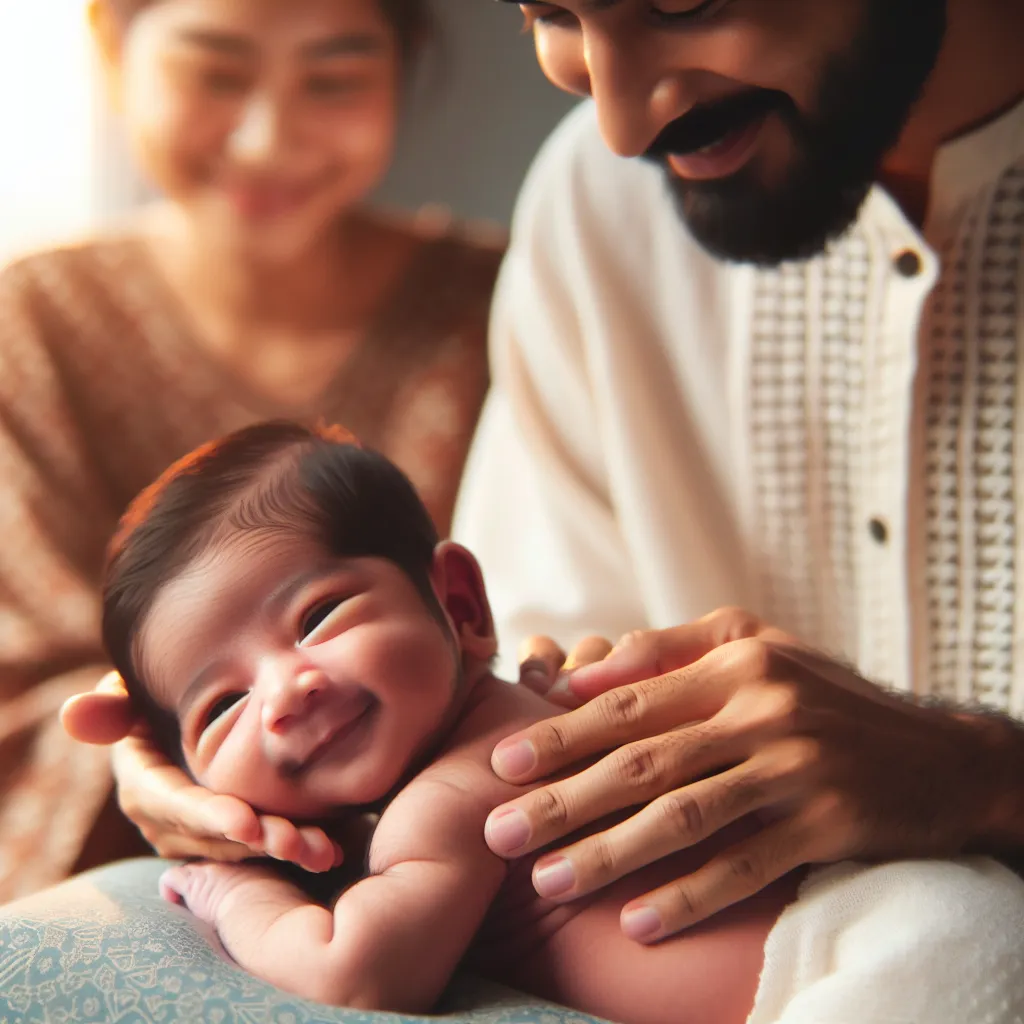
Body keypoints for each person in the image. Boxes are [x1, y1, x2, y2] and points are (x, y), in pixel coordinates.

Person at [63, 0, 1024, 951]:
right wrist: (204, 742)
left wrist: (984, 775)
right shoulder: (598, 201)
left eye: (681, 1)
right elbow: (494, 667)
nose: (620, 123)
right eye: (551, 15)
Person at [97, 420, 1024, 1024]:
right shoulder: (539, 698)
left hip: (880, 954)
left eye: (317, 618)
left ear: (459, 602)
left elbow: (354, 976)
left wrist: (234, 891)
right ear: (184, 769)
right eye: (221, 707)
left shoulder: (456, 797)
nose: (285, 691)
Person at [0, 0, 502, 904]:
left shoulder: (507, 306)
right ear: (114, 60)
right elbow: (22, 688)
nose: (270, 138)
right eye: (216, 73)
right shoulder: (32, 324)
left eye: (334, 79)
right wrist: (146, 757)